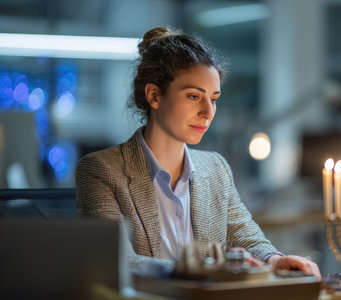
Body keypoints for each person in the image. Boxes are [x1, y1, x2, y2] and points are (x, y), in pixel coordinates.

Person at [75, 27, 321, 280]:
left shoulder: (216, 167)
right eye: (194, 96)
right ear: (154, 95)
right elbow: (118, 260)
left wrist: (275, 260)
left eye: (214, 99)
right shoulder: (101, 169)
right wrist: (202, 268)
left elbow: (244, 235)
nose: (208, 112)